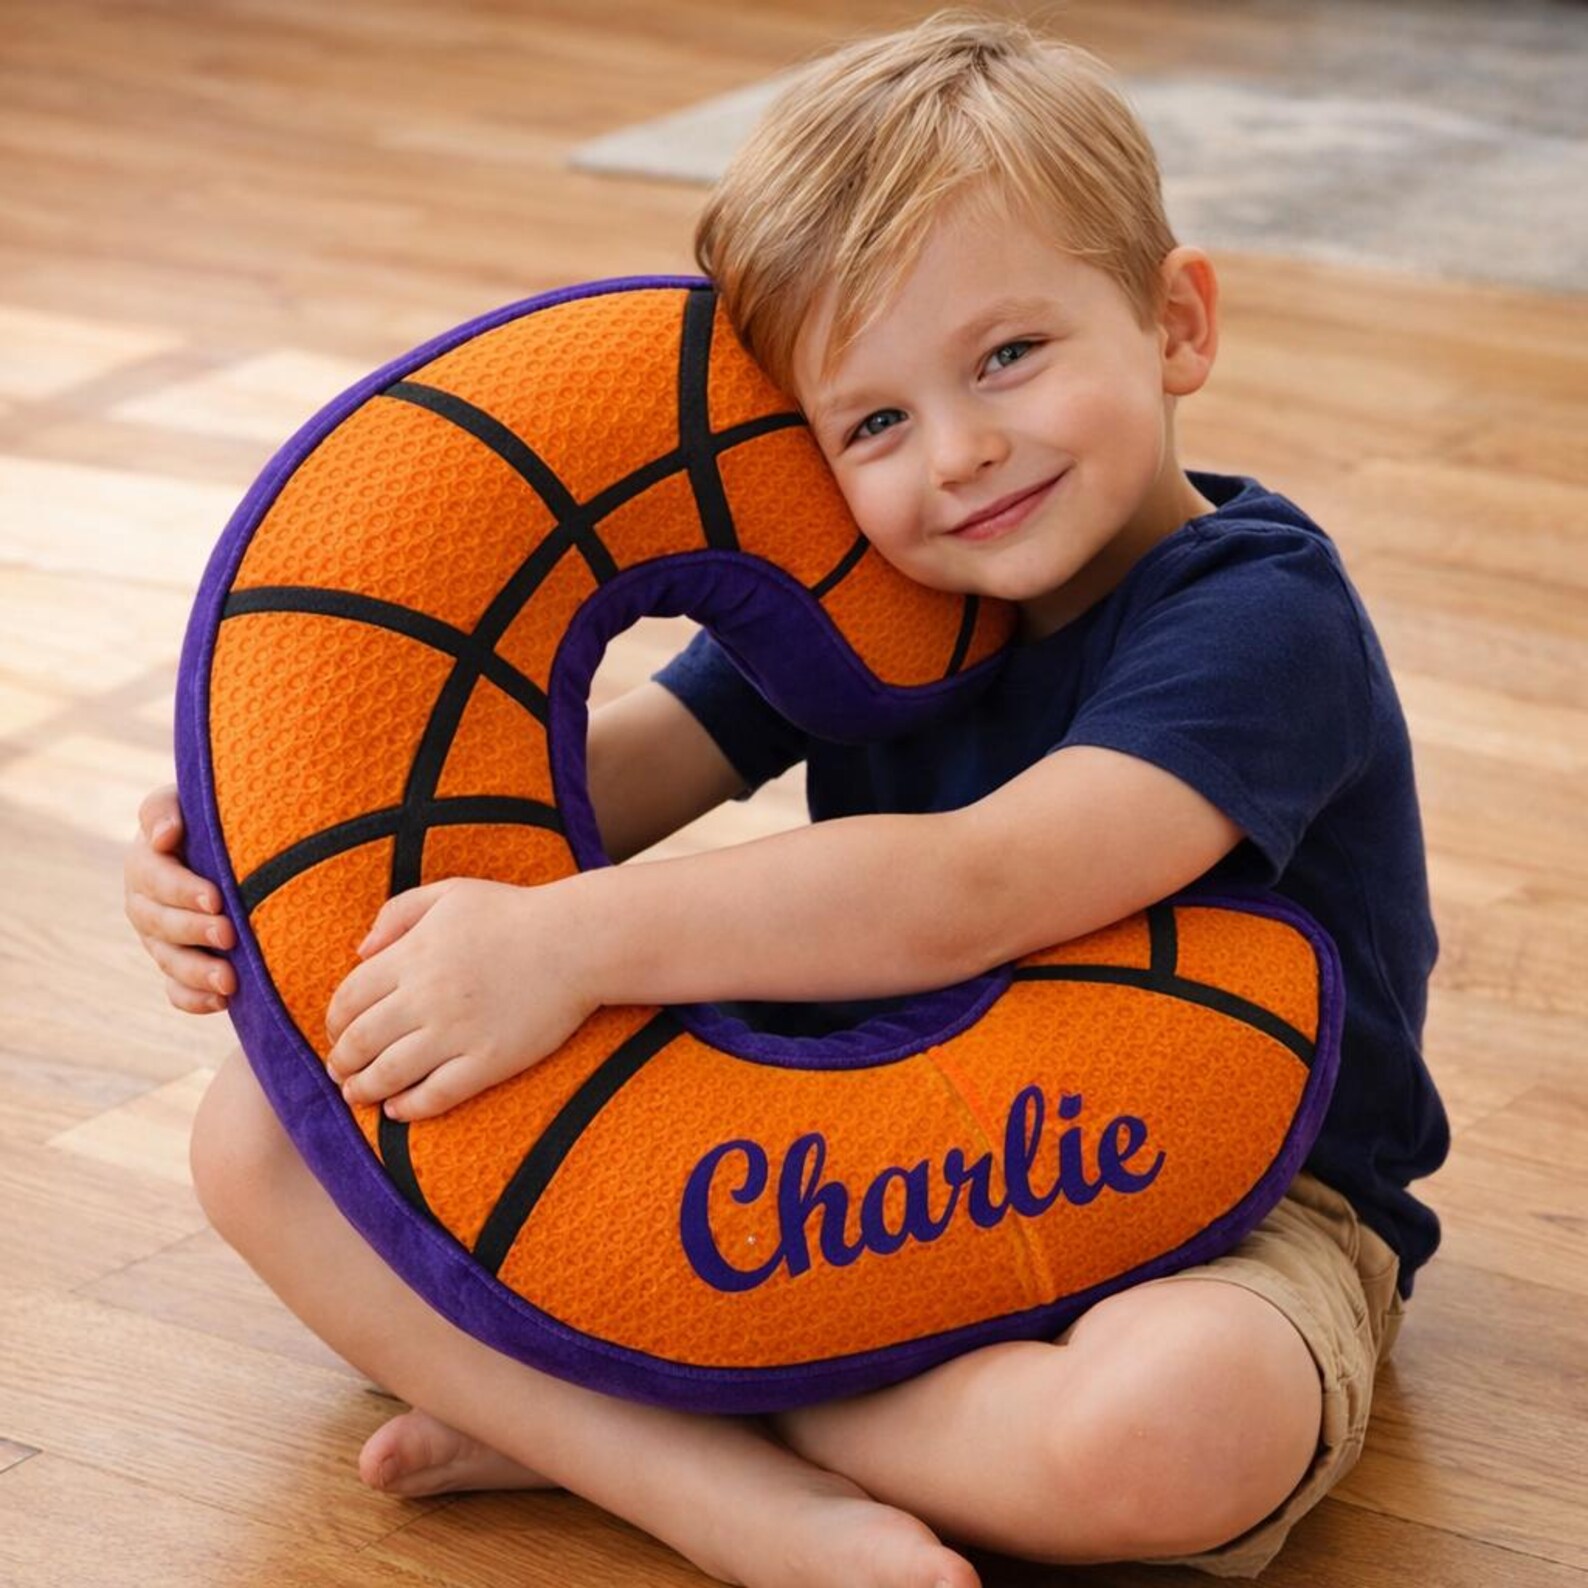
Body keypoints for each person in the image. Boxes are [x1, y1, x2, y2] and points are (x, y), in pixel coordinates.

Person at [121, 13, 1450, 1585]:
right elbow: (583, 801)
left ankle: (614, 1408)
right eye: (874, 421)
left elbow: (986, 883)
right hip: (856, 1138)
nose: (959, 453)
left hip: (1236, 1194)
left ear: (1175, 324)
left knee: (1174, 1424)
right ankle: (722, 1495)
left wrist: (571, 945)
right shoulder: (882, 591)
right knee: (255, 1138)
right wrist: (281, 850)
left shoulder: (1256, 615)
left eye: (1008, 354)